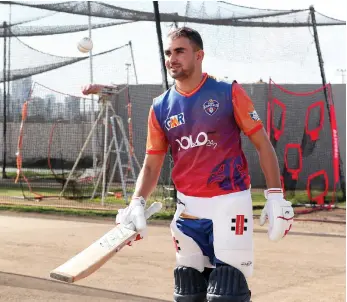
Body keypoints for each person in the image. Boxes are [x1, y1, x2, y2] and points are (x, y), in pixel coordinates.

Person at [83, 27, 294, 302]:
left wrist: (275, 196)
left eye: (180, 51)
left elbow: (263, 144)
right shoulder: (160, 106)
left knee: (226, 292)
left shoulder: (228, 92)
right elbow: (152, 162)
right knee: (188, 289)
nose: (172, 58)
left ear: (199, 55)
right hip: (187, 209)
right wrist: (137, 202)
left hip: (229, 202)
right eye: (168, 53)